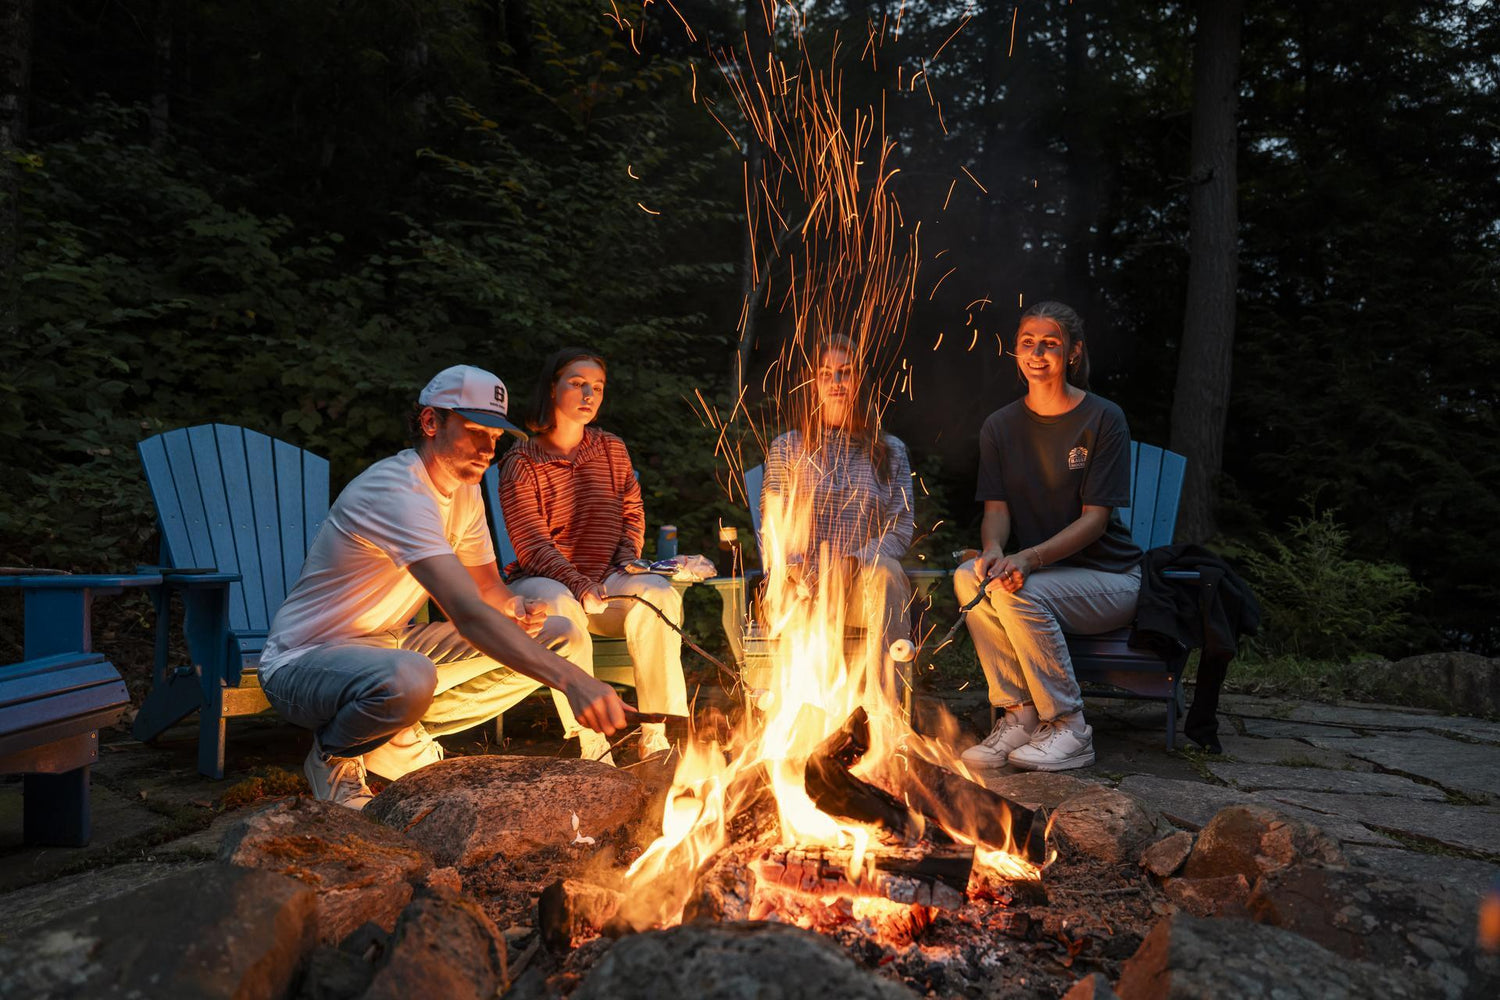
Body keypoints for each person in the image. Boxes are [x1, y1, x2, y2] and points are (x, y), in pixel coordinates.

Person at [259, 364, 628, 809]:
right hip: (305, 660)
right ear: (431, 422)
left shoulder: (463, 489)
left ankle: (394, 732)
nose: (487, 449)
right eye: (475, 431)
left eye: (495, 436)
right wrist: (573, 681)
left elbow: (487, 590)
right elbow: (467, 614)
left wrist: (516, 608)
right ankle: (334, 756)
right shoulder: (397, 490)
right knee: (410, 677)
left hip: (389, 644)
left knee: (560, 634)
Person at [955, 301, 1142, 772]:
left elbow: (1095, 520)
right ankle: (1020, 717)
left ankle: (1069, 727)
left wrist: (1028, 559)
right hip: (1041, 575)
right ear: (1015, 351)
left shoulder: (1103, 418)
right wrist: (994, 550)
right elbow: (996, 511)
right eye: (1028, 343)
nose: (1037, 353)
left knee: (1018, 592)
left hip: (1110, 578)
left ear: (1072, 352)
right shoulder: (1000, 426)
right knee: (966, 576)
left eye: (1050, 343)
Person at [497, 347, 689, 762]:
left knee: (659, 594)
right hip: (544, 581)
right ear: (552, 388)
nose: (589, 395)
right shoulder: (520, 462)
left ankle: (656, 733)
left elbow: (632, 511)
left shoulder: (611, 449)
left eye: (598, 387)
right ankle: (592, 743)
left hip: (606, 579)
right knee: (558, 603)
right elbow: (531, 544)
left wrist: (627, 559)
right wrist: (579, 584)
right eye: (578, 383)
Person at [761, 335, 916, 702]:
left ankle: (883, 710)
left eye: (846, 372)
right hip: (802, 587)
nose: (836, 382)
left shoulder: (891, 451)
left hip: (862, 585)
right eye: (825, 374)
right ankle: (811, 714)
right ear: (812, 384)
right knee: (798, 594)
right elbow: (774, 528)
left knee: (888, 572)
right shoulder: (788, 448)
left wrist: (853, 562)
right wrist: (801, 570)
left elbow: (900, 528)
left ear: (860, 380)